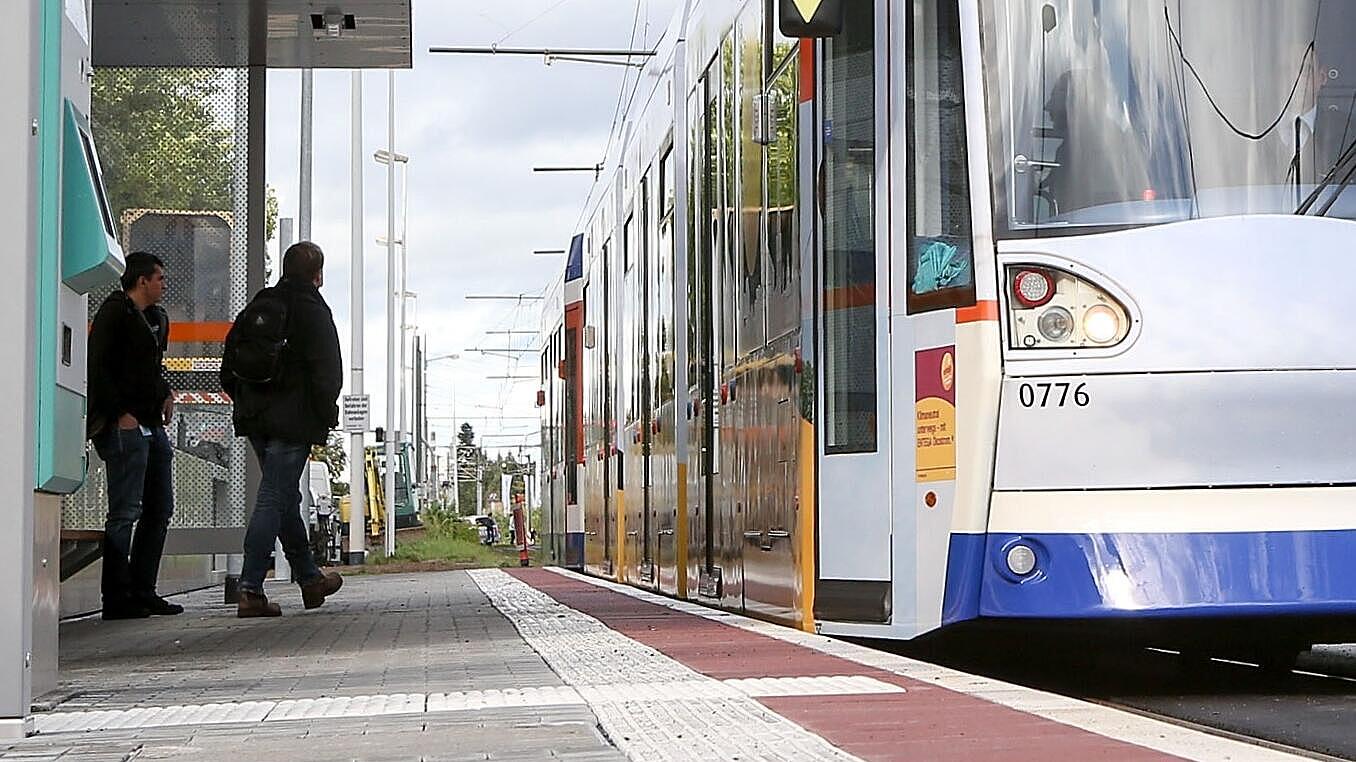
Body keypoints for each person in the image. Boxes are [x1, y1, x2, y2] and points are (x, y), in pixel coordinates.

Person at [221, 241, 344, 617]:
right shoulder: (312, 310)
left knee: (285, 496)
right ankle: (250, 588)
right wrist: (324, 416)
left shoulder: (261, 304)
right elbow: (329, 373)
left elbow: (230, 363)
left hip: (257, 417)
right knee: (274, 495)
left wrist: (246, 403)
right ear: (318, 275)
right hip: (293, 421)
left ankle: (310, 580)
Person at [87, 251, 182, 620]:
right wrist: (118, 415)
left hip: (151, 424)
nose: (163, 284)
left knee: (159, 508)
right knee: (125, 510)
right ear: (141, 280)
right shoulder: (115, 314)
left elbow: (151, 368)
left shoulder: (156, 319)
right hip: (124, 425)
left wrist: (165, 392)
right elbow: (100, 368)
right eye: (159, 278)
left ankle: (144, 589)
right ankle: (116, 596)